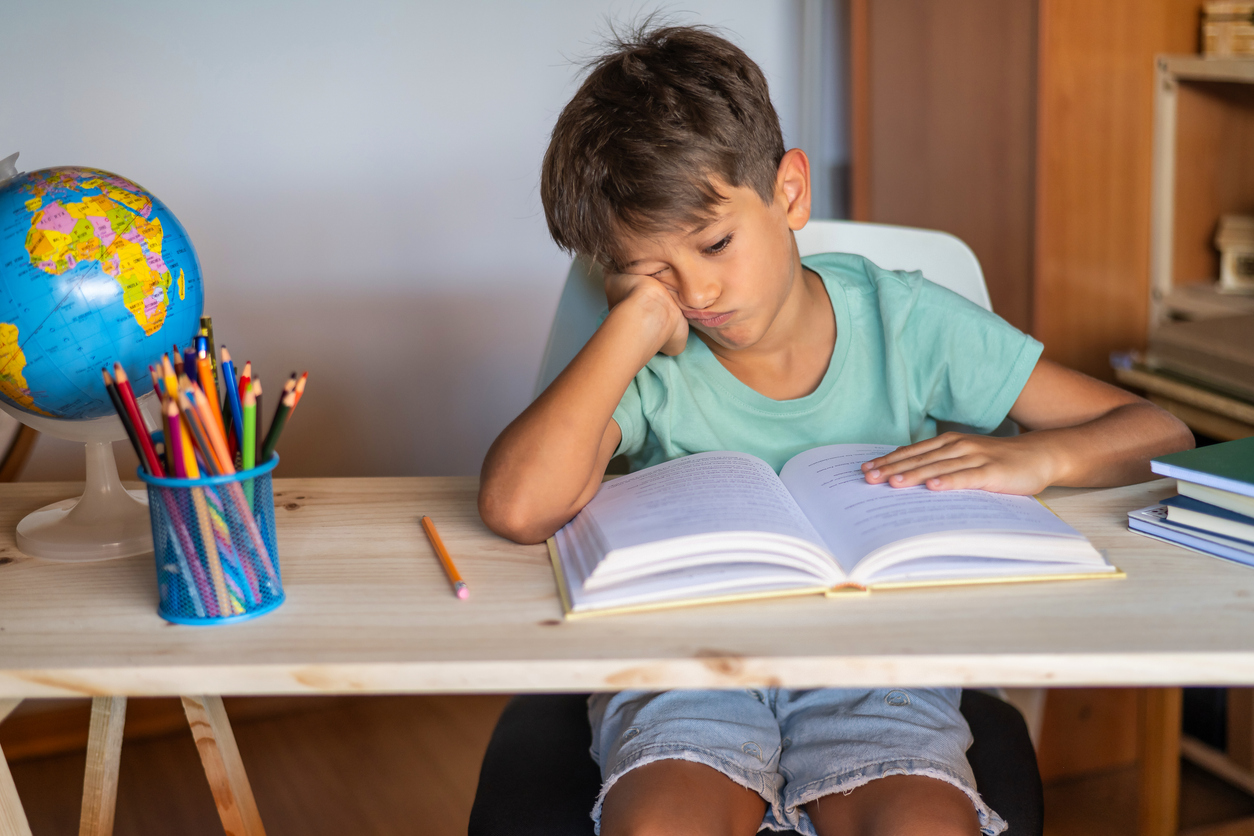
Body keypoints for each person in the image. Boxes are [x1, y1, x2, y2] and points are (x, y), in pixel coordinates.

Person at [478, 23, 1192, 836]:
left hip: (877, 662)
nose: (698, 291)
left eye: (714, 244)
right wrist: (634, 321)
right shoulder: (647, 359)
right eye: (649, 269)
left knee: (922, 824)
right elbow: (516, 506)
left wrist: (1042, 456)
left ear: (789, 194)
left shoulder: (907, 322)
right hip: (686, 662)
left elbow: (1160, 433)